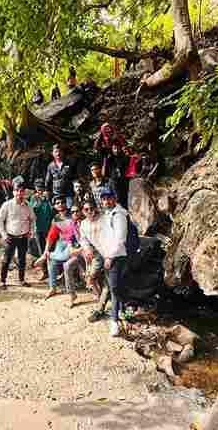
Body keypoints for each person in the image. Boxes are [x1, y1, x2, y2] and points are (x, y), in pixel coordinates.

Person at [99, 188, 129, 337]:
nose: (106, 201)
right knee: (116, 286)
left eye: (109, 198)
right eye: (104, 199)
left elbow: (121, 239)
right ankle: (124, 311)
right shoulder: (108, 214)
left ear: (114, 198)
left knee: (114, 288)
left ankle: (114, 321)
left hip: (117, 257)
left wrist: (110, 257)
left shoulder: (119, 215)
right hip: (109, 256)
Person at [0, 181, 36, 290]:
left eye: (21, 191)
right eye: (17, 191)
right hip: (10, 237)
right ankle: (3, 281)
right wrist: (3, 234)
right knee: (6, 260)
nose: (19, 193)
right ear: (13, 192)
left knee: (22, 259)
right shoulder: (7, 205)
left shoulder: (28, 205)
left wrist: (31, 231)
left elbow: (32, 219)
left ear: (24, 193)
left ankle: (21, 280)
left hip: (23, 237)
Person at [78, 201, 110, 322]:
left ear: (95, 209)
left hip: (109, 253)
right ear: (83, 211)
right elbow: (83, 239)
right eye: (86, 209)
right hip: (96, 253)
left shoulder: (103, 219)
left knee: (109, 281)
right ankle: (100, 297)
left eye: (91, 208)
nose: (89, 211)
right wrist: (87, 248)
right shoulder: (84, 224)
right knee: (91, 277)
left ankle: (100, 309)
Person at [29, 180, 53, 281]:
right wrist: (39, 201)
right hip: (38, 227)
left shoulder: (49, 196)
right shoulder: (34, 198)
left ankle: (53, 271)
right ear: (35, 188)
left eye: (41, 187)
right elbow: (32, 210)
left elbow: (52, 209)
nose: (40, 190)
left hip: (50, 227)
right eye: (38, 188)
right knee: (41, 250)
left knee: (51, 249)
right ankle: (45, 271)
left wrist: (47, 199)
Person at [104, 144, 130, 209]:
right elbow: (105, 173)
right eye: (115, 148)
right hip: (114, 182)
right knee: (118, 200)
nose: (117, 150)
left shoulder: (125, 158)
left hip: (124, 182)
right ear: (112, 150)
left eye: (118, 148)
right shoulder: (109, 159)